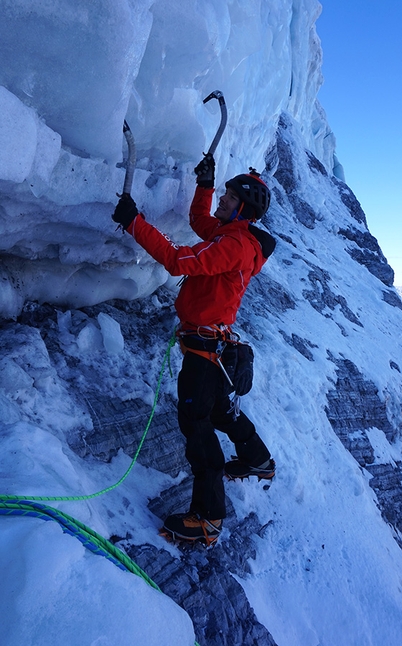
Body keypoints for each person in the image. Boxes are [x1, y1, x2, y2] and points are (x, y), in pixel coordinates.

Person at [112, 154, 276, 546]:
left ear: (243, 209)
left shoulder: (234, 245)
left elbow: (177, 260)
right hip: (212, 345)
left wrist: (134, 222)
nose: (223, 199)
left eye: (229, 197)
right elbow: (202, 224)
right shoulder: (233, 237)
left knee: (196, 426)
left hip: (204, 354)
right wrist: (204, 186)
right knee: (219, 411)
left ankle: (208, 517)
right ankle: (258, 461)